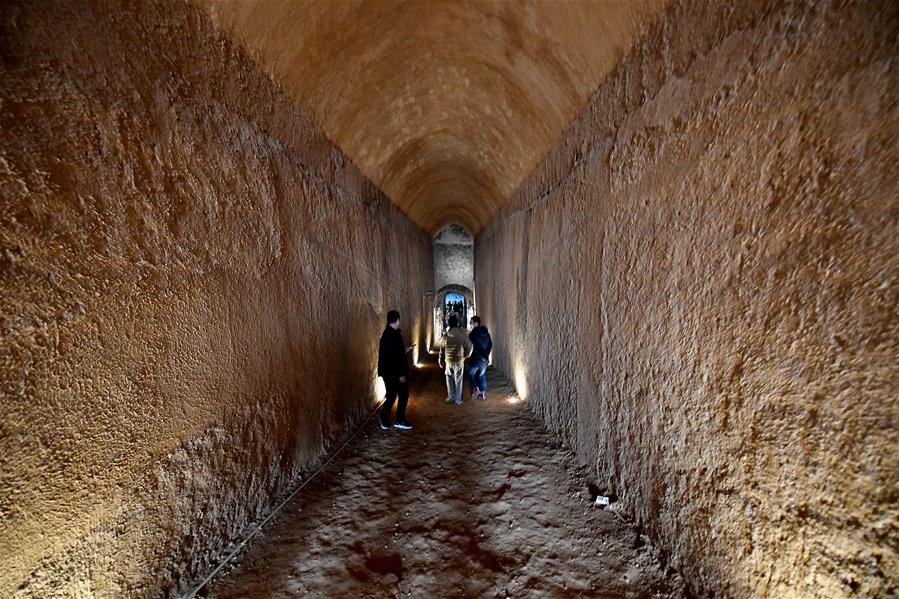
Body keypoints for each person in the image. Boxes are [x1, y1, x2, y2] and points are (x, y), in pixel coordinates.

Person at [377, 310, 414, 431]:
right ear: (397, 320)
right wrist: (400, 374)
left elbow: (395, 352)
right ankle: (397, 419)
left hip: (390, 371)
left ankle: (390, 419)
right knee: (400, 394)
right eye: (399, 320)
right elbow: (392, 359)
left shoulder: (391, 333)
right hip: (392, 372)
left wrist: (405, 349)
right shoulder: (391, 335)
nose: (399, 322)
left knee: (394, 395)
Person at [439, 315, 473, 405]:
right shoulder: (462, 334)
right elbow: (470, 346)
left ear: (449, 324)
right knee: (458, 380)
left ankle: (451, 396)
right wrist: (466, 355)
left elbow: (442, 349)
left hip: (448, 360)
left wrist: (440, 360)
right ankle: (458, 399)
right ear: (457, 323)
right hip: (459, 360)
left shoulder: (446, 335)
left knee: (449, 378)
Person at [466, 316, 492, 400]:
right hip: (484, 359)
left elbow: (471, 345)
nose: (470, 324)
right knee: (481, 374)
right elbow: (490, 344)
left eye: (471, 322)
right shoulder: (486, 333)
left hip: (476, 357)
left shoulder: (473, 333)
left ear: (476, 323)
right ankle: (482, 394)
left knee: (469, 373)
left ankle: (474, 389)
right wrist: (486, 355)